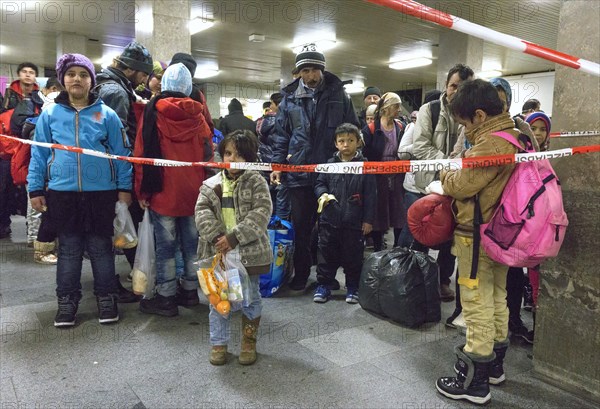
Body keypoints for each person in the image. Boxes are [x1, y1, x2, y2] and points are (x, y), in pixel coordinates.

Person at [27, 53, 132, 327]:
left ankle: (107, 299)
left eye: (83, 74)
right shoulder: (49, 115)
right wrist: (35, 188)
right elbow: (38, 154)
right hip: (63, 194)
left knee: (101, 249)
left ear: (91, 81)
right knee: (70, 250)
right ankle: (67, 302)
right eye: (72, 74)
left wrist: (124, 188)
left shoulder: (106, 114)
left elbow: (121, 154)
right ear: (63, 79)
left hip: (101, 194)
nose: (77, 79)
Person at [435, 79, 523, 405]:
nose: (463, 128)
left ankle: (474, 382)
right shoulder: (517, 135)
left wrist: (446, 170)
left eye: (464, 122)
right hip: (502, 232)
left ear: (480, 115)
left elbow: (460, 185)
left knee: (476, 303)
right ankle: (495, 367)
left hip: (476, 236)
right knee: (497, 296)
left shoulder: (491, 145)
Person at [271, 44, 359, 292]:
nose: (311, 76)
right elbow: (281, 135)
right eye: (306, 70)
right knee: (300, 228)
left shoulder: (339, 95)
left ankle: (326, 276)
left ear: (322, 69)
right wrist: (278, 166)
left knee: (330, 229)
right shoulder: (288, 99)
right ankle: (301, 273)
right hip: (298, 174)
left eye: (315, 70)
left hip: (331, 175)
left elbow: (352, 128)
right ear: (298, 72)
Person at [134, 63, 212, 316]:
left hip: (162, 191)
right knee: (192, 245)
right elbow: (208, 155)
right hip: (194, 192)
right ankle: (190, 292)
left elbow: (142, 154)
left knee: (166, 248)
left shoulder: (152, 112)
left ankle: (166, 298)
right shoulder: (198, 115)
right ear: (188, 87)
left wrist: (141, 191)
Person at [195, 130, 272, 366]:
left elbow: (261, 213)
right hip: (218, 252)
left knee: (251, 299)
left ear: (250, 157)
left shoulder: (257, 181)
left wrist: (235, 237)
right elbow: (202, 211)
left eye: (239, 155)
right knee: (219, 300)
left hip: (248, 253)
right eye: (228, 153)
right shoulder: (211, 184)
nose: (232, 160)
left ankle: (248, 343)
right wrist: (219, 236)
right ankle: (219, 344)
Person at [410, 63, 475, 302]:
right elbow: (420, 146)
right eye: (453, 86)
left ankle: (442, 281)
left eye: (463, 87)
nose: (457, 91)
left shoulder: (473, 113)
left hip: (457, 187)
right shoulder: (430, 110)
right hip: (428, 185)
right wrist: (448, 162)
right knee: (422, 235)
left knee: (450, 236)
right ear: (445, 86)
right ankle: (414, 277)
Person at [95, 41, 153, 303]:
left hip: (98, 172)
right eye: (143, 74)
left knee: (112, 230)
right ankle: (112, 286)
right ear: (131, 70)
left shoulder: (103, 85)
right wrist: (125, 179)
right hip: (114, 172)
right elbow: (117, 140)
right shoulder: (116, 93)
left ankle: (109, 283)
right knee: (122, 228)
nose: (145, 80)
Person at [313, 123, 376, 303]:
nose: (346, 144)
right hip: (329, 218)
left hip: (354, 221)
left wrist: (368, 220)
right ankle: (324, 285)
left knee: (353, 256)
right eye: (341, 141)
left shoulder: (365, 166)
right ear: (335, 143)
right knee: (326, 254)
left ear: (358, 142)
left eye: (350, 140)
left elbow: (371, 195)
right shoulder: (329, 164)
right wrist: (322, 194)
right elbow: (319, 183)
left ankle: (352, 287)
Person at [1, 62, 40, 239]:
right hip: (8, 150)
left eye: (31, 72)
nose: (27, 75)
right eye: (24, 71)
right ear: (18, 74)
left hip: (31, 149)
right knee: (5, 189)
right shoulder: (9, 97)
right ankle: (3, 224)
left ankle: (30, 225)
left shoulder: (39, 97)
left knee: (30, 188)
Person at [362, 92, 406, 250]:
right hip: (377, 175)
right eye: (396, 106)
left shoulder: (401, 126)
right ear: (386, 108)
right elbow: (365, 152)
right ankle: (378, 249)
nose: (399, 110)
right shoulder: (371, 129)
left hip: (397, 174)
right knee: (379, 212)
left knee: (398, 210)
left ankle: (397, 247)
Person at [257, 92, 290, 219]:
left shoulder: (262, 122)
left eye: (271, 103)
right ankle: (281, 228)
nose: (270, 106)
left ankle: (268, 226)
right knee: (282, 199)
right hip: (282, 165)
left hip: (266, 165)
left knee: (267, 198)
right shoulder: (286, 121)